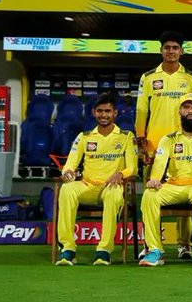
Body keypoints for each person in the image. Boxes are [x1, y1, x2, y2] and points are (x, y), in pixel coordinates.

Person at [135, 32, 192, 260]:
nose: (171, 51)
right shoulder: (148, 77)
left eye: (175, 47)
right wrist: (141, 140)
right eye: (167, 48)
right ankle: (151, 245)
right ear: (161, 50)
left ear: (181, 51)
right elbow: (142, 110)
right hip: (154, 145)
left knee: (184, 188)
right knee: (151, 194)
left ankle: (184, 244)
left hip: (183, 144)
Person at [138, 95, 192, 267]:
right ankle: (155, 250)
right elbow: (160, 162)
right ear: (180, 111)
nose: (190, 111)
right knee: (149, 195)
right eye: (186, 107)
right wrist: (154, 179)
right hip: (173, 185)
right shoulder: (168, 139)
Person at [54, 95, 137, 267]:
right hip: (87, 185)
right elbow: (70, 163)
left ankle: (104, 251)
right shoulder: (84, 137)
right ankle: (68, 249)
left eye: (108, 111)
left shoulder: (126, 137)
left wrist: (120, 174)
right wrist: (68, 172)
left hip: (110, 187)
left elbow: (133, 168)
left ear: (115, 113)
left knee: (114, 194)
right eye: (100, 111)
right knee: (67, 190)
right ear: (93, 112)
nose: (103, 115)